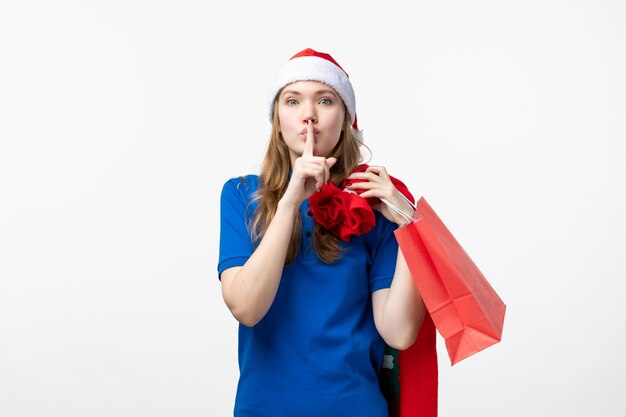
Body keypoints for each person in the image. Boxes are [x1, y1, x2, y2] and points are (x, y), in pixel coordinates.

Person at [217, 48, 427, 417]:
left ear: (345, 118)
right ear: (277, 120)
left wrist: (410, 225)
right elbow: (246, 308)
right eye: (293, 100)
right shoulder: (241, 196)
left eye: (325, 100)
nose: (308, 115)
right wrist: (289, 202)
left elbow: (400, 332)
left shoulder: (374, 203)